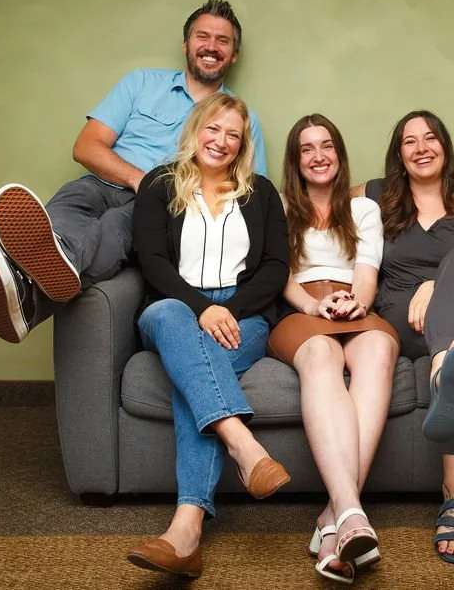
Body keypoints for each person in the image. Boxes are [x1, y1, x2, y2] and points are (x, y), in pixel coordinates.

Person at [0, 0, 268, 344]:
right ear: (186, 44)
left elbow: (252, 196)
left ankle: (23, 285)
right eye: (202, 36)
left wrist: (155, 192)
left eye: (222, 41)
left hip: (166, 206)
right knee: (72, 197)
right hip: (105, 183)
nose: (211, 46)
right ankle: (36, 273)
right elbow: (86, 146)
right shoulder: (140, 84)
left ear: (234, 55)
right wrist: (140, 180)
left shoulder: (241, 118)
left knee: (116, 225)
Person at [126, 92, 289, 578]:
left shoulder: (261, 192)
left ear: (243, 145)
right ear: (196, 129)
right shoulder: (159, 185)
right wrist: (202, 308)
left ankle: (185, 532)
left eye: (232, 134)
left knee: (194, 378)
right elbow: (152, 261)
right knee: (177, 320)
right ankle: (245, 446)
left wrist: (229, 310)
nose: (220, 141)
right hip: (173, 305)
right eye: (212, 129)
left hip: (245, 313)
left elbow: (276, 267)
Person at [354, 110, 454, 566]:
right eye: (409, 141)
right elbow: (314, 192)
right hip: (402, 319)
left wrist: (434, 284)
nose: (421, 147)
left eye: (430, 138)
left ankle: (447, 361)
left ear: (445, 145)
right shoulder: (377, 196)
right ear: (398, 155)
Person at [267, 114, 400, 583]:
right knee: (322, 354)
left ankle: (334, 521)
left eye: (327, 146)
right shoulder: (277, 207)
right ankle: (350, 511)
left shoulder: (363, 209)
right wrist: (315, 304)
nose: (318, 156)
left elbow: (367, 273)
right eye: (307, 148)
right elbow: (278, 274)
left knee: (379, 352)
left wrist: (354, 302)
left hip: (353, 303)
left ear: (340, 156)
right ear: (295, 159)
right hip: (302, 309)